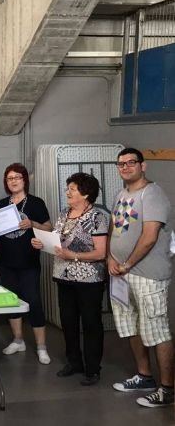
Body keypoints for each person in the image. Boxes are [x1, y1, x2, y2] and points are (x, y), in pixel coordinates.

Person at [107, 148, 174, 408]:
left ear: (143, 166)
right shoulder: (121, 194)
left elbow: (149, 237)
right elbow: (114, 229)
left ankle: (167, 390)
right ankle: (145, 377)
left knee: (157, 330)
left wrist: (126, 264)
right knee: (131, 325)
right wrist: (110, 258)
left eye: (131, 162)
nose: (125, 167)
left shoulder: (152, 194)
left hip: (147, 275)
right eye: (121, 163)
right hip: (121, 274)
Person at [33, 172, 107, 386]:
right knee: (68, 322)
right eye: (68, 188)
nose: (67, 192)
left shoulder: (97, 217)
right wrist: (42, 243)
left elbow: (101, 252)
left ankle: (93, 369)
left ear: (85, 194)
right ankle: (74, 362)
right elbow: (58, 241)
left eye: (72, 189)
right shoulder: (64, 213)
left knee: (91, 323)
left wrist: (73, 255)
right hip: (63, 276)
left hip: (89, 280)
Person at [0, 163, 52, 365]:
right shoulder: (2, 203)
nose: (13, 181)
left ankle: (41, 347)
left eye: (17, 177)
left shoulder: (36, 203)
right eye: (9, 178)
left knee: (34, 301)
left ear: (24, 180)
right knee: (11, 300)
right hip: (5, 261)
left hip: (29, 261)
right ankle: (18, 340)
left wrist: (32, 224)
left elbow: (48, 227)